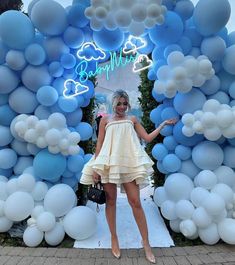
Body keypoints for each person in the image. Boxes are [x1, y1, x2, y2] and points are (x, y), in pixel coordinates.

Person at [80, 89, 177, 264]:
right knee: (110, 202)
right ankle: (114, 238)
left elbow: (146, 138)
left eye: (125, 103)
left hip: (128, 164)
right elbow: (100, 143)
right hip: (109, 165)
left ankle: (146, 243)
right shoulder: (105, 120)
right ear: (113, 103)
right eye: (119, 103)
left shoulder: (132, 119)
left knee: (136, 202)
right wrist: (96, 167)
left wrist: (162, 125)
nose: (122, 107)